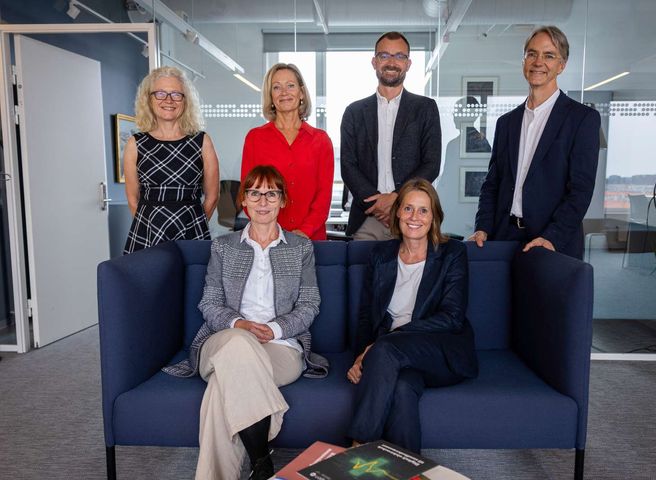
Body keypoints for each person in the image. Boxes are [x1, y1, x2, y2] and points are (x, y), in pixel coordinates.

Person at [163, 165, 328, 480]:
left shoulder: (300, 247)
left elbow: (310, 305)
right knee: (239, 345)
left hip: (280, 347)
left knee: (218, 389)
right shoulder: (224, 246)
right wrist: (240, 325)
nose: (263, 201)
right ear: (244, 201)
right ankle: (261, 456)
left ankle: (245, 469)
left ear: (282, 201)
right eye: (255, 193)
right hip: (224, 338)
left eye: (271, 194)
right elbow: (209, 304)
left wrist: (275, 329)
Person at [346, 178, 478, 453]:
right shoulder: (381, 255)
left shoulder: (452, 253)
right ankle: (408, 469)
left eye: (423, 210)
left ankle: (357, 446)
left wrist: (383, 344)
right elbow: (365, 316)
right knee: (403, 389)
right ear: (397, 214)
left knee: (387, 350)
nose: (414, 217)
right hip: (391, 357)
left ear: (434, 217)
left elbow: (452, 317)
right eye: (407, 209)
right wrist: (361, 355)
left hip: (439, 350)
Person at [470, 25, 600, 260]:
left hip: (550, 240)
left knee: (545, 299)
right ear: (523, 62)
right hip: (504, 236)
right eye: (532, 54)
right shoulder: (506, 123)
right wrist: (483, 227)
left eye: (549, 55)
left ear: (562, 65)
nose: (538, 61)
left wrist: (552, 237)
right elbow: (492, 184)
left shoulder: (582, 119)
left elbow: (580, 190)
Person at [341, 31, 442, 240]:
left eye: (399, 56)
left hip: (411, 217)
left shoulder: (425, 109)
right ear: (374, 61)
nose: (392, 62)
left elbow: (431, 163)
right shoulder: (354, 112)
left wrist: (397, 199)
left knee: (411, 273)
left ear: (408, 63)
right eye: (384, 56)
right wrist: (377, 203)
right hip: (367, 219)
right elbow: (348, 166)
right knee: (364, 274)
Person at [124, 66, 219, 254]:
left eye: (176, 94)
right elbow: (133, 200)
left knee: (193, 283)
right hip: (148, 235)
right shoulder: (135, 144)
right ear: (149, 100)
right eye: (160, 93)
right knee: (150, 283)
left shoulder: (202, 141)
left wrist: (194, 224)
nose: (168, 100)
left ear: (186, 101)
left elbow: (212, 197)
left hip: (192, 232)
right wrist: (150, 226)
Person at [240, 63, 334, 240]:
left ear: (301, 92)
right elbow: (248, 193)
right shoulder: (255, 138)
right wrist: (272, 231)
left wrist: (304, 232)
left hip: (310, 240)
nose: (284, 92)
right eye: (276, 87)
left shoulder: (320, 140)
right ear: (271, 96)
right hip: (266, 239)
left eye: (290, 85)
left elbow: (323, 198)